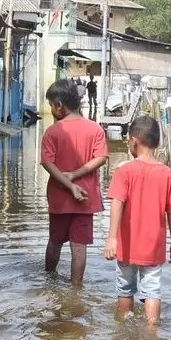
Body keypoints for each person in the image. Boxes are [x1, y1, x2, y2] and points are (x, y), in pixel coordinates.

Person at [104, 115, 171, 325]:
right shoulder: (167, 174)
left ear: (133, 141)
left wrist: (112, 238)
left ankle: (123, 328)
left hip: (127, 246)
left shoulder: (124, 171)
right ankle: (151, 333)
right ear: (157, 143)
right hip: (153, 248)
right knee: (152, 291)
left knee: (124, 290)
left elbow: (117, 203)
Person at [41, 78, 108, 288]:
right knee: (79, 247)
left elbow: (47, 163)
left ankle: (49, 280)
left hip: (60, 199)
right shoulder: (95, 129)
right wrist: (75, 176)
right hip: (85, 199)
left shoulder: (53, 131)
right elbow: (101, 158)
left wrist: (68, 182)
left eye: (51, 105)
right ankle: (76, 289)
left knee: (55, 241)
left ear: (59, 105)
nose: (51, 110)